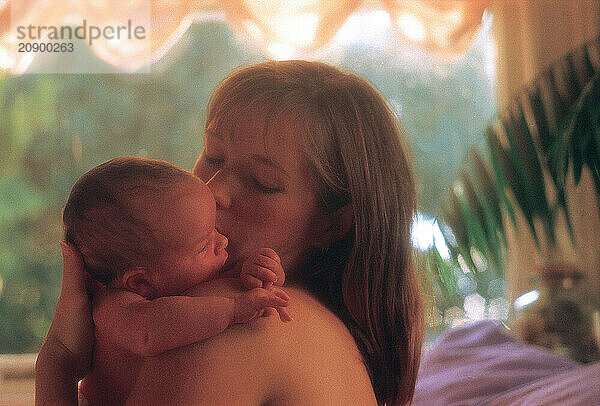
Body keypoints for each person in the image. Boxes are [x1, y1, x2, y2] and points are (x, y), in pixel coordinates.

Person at [35, 60, 424, 405]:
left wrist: (57, 361)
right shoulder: (322, 323)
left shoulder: (237, 320)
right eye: (213, 155)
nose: (213, 189)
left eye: (262, 182)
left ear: (333, 223)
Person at [59, 156, 291, 404]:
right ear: (141, 283)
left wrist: (259, 272)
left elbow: (239, 286)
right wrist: (233, 309)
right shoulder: (112, 307)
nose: (222, 240)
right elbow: (152, 331)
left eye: (214, 229)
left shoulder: (184, 275)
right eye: (204, 246)